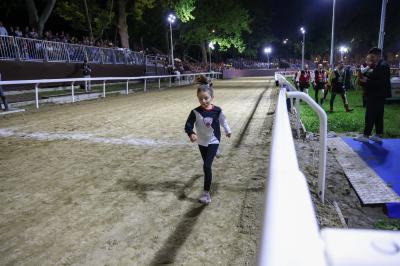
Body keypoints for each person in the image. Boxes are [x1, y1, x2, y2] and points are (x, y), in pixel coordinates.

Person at [184, 75, 232, 204]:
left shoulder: (217, 110)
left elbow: (223, 121)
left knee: (206, 166)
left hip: (214, 139)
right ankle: (215, 152)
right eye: (201, 99)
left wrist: (228, 130)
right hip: (202, 142)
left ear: (212, 98)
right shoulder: (195, 112)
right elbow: (188, 124)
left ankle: (206, 193)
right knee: (207, 163)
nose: (204, 101)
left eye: (206, 98)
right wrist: (191, 133)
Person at [354, 47, 391, 143]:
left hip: (376, 94)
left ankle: (366, 135)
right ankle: (378, 135)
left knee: (370, 114)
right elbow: (374, 79)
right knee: (378, 114)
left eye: (373, 57)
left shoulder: (382, 66)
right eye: (370, 57)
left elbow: (380, 83)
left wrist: (367, 80)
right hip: (378, 94)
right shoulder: (378, 65)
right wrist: (364, 80)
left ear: (379, 56)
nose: (371, 59)